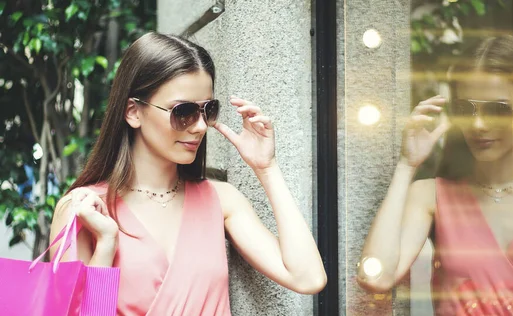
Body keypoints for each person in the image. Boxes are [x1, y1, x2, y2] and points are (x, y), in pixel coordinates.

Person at [49, 32, 327, 315]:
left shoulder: (221, 199)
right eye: (183, 111)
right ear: (133, 112)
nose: (200, 126)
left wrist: (266, 167)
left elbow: (308, 278)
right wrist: (106, 245)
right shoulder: (84, 210)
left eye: (207, 110)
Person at [357, 35, 513, 315]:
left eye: (497, 110)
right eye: (465, 109)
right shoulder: (431, 196)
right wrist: (406, 165)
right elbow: (375, 277)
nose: (478, 124)